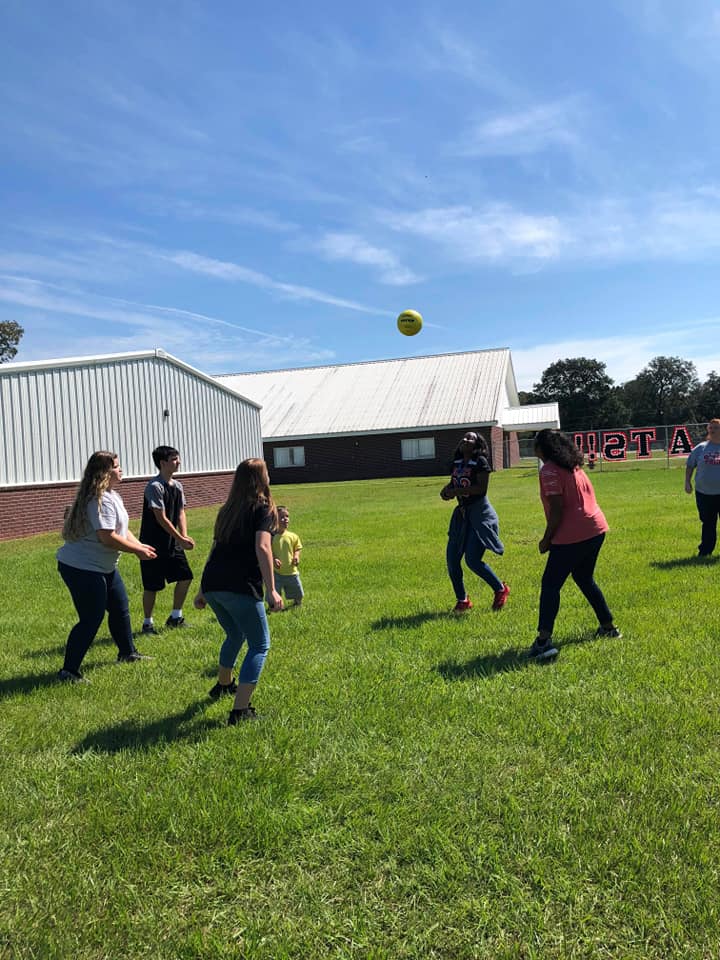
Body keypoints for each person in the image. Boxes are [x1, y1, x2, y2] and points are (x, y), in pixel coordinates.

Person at [193, 459, 283, 724]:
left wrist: (201, 590)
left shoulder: (227, 509)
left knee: (234, 634)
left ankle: (223, 684)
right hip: (240, 585)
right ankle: (240, 710)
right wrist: (272, 590)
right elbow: (263, 548)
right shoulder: (263, 508)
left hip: (213, 585)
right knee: (259, 645)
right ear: (261, 478)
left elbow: (214, 551)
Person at [56, 451, 157, 682]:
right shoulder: (97, 500)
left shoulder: (113, 496)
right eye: (117, 466)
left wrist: (140, 544)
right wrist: (137, 551)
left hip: (103, 567)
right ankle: (68, 671)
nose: (121, 470)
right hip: (81, 567)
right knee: (91, 618)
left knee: (120, 607)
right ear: (104, 472)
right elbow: (107, 537)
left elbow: (121, 530)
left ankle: (127, 653)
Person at [530, 429, 621, 661]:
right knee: (584, 578)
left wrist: (547, 539)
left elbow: (558, 509)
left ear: (543, 448)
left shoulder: (549, 470)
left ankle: (543, 641)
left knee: (550, 585)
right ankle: (608, 626)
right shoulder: (574, 467)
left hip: (573, 535)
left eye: (535, 444)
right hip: (596, 529)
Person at [440, 430, 510, 613]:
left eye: (470, 438)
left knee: (472, 560)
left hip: (480, 515)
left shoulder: (480, 462)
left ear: (478, 444)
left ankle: (500, 589)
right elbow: (455, 484)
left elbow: (481, 489)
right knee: (452, 560)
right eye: (464, 437)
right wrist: (447, 491)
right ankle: (462, 600)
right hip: (461, 516)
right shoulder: (456, 463)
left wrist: (455, 492)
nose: (465, 439)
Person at [138, 445, 195, 634]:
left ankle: (175, 617)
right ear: (163, 463)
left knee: (185, 577)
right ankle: (148, 624)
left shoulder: (178, 486)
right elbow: (160, 517)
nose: (178, 462)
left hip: (172, 543)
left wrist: (183, 536)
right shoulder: (154, 487)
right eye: (174, 459)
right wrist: (179, 537)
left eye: (178, 458)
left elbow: (180, 511)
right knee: (152, 586)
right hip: (152, 545)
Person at [684, 418, 720, 557]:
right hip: (704, 493)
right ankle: (705, 551)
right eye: (710, 428)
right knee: (708, 523)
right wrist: (687, 482)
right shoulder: (701, 447)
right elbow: (690, 465)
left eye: (716, 428)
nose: (712, 430)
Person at [272, 505, 304, 607]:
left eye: (287, 516)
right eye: (282, 517)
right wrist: (273, 559)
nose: (285, 519)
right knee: (274, 591)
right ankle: (275, 606)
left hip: (291, 571)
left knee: (298, 592)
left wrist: (296, 556)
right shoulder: (271, 536)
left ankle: (297, 603)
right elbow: (267, 550)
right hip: (276, 572)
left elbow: (297, 548)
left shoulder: (293, 536)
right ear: (274, 520)